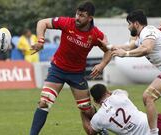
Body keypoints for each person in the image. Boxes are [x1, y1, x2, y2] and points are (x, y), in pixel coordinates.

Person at [29, 1, 112, 135]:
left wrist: (102, 65)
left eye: (82, 15)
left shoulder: (96, 35)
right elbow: (42, 22)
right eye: (77, 14)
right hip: (57, 70)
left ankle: (103, 131)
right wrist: (40, 41)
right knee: (44, 102)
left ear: (90, 18)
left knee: (86, 109)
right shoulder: (67, 23)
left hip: (76, 74)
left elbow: (109, 50)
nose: (77, 18)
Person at [89, 84, 161, 135]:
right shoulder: (118, 96)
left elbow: (91, 132)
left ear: (95, 101)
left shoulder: (97, 119)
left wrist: (84, 113)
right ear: (107, 92)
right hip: (152, 125)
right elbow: (123, 92)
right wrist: (110, 93)